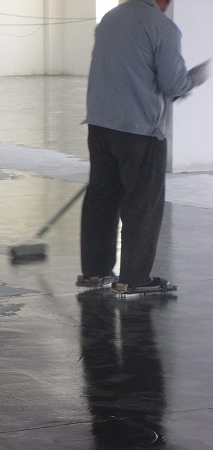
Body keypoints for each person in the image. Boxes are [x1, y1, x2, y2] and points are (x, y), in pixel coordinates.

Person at [77, 0, 210, 294]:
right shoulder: (162, 27)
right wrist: (196, 78)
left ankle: (94, 272)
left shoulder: (110, 19)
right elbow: (174, 84)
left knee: (101, 198)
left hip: (100, 125)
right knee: (142, 204)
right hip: (141, 131)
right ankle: (134, 279)